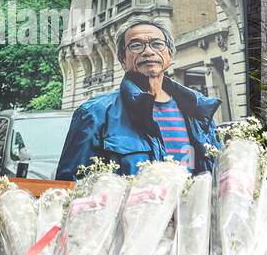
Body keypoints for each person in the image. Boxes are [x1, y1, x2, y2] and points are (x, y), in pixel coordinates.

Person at [56, 17, 220, 180]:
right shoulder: (94, 114)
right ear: (122, 59)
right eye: (136, 45)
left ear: (170, 55)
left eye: (157, 44)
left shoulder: (198, 111)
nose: (148, 51)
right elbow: (70, 187)